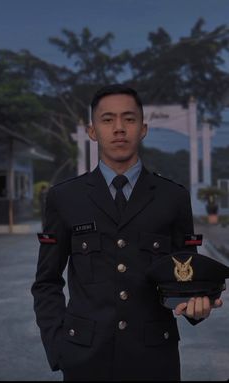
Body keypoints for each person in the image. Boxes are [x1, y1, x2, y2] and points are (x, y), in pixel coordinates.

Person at [31, 84, 222, 381]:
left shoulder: (173, 197)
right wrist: (58, 347)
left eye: (129, 119)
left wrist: (197, 307)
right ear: (92, 131)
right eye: (107, 120)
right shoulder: (64, 198)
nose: (119, 128)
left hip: (155, 358)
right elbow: (46, 281)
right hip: (84, 358)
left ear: (143, 128)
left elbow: (185, 277)